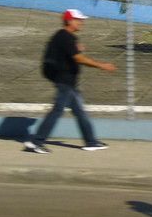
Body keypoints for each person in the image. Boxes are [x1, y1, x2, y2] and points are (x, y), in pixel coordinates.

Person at [24, 9, 116, 154]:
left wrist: (77, 49)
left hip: (68, 81)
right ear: (69, 21)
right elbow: (78, 58)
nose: (82, 22)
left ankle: (91, 141)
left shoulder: (65, 37)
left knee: (79, 112)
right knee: (58, 111)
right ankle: (36, 142)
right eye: (79, 20)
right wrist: (101, 65)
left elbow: (68, 53)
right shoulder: (65, 37)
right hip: (64, 81)